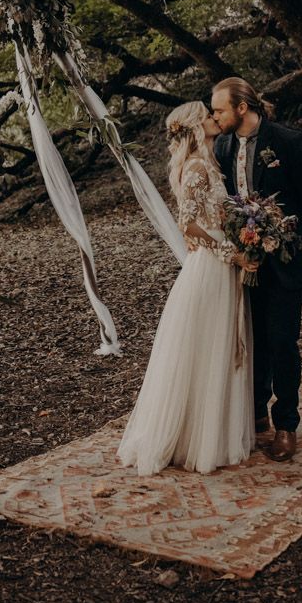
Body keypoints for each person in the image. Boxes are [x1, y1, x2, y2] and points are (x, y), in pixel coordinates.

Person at [117, 101, 254, 476]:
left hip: (219, 267)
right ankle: (193, 439)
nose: (214, 119)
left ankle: (209, 433)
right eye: (208, 116)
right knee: (206, 348)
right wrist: (232, 253)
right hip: (210, 269)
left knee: (215, 349)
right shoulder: (196, 168)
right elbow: (188, 225)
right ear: (196, 126)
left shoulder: (208, 163)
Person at [211, 77, 302, 461]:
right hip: (246, 261)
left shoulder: (288, 142)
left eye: (220, 110)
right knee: (253, 338)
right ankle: (257, 412)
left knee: (281, 340)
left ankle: (286, 424)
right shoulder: (224, 145)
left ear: (242, 108)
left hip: (286, 260)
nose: (216, 117)